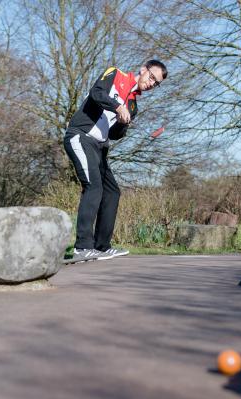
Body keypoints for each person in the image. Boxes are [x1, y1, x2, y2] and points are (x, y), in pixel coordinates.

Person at [64, 59, 167, 262]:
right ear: (143, 69)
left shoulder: (133, 105)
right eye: (152, 77)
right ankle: (82, 247)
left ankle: (102, 247)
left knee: (112, 192)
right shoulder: (115, 74)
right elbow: (96, 94)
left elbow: (115, 135)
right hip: (80, 136)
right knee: (93, 187)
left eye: (156, 84)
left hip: (99, 147)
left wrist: (122, 124)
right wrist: (117, 106)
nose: (151, 84)